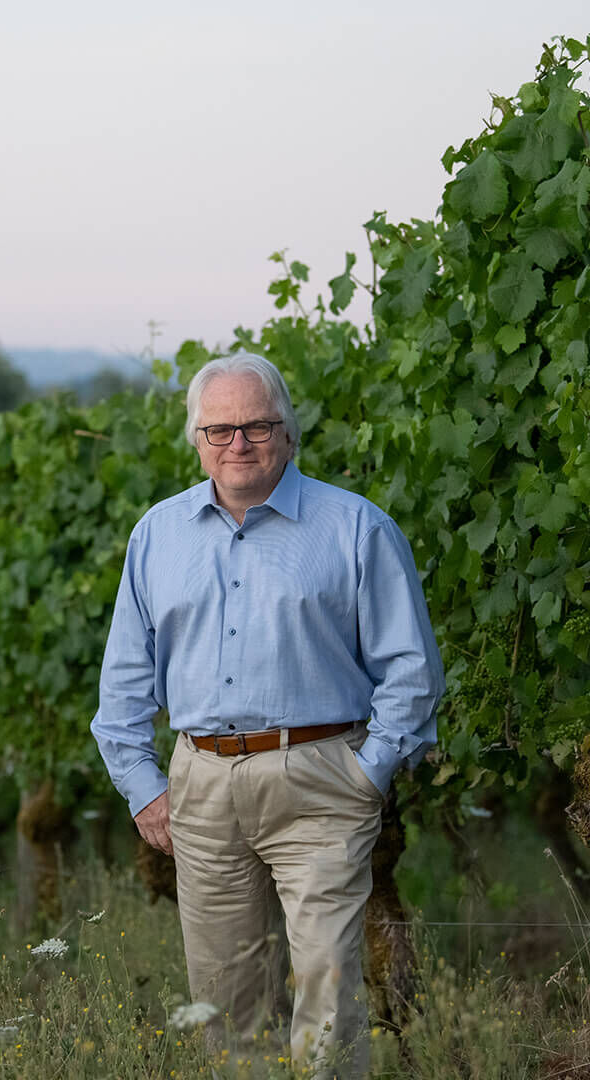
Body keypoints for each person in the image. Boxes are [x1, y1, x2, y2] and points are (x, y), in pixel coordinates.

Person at [90, 352, 445, 1078]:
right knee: (226, 1005)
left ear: (288, 433)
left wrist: (367, 773)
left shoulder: (355, 529)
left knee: (329, 990)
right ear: (197, 440)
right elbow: (124, 680)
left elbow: (412, 669)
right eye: (220, 430)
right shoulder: (156, 536)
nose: (238, 444)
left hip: (321, 779)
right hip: (200, 787)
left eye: (257, 426)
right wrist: (144, 787)